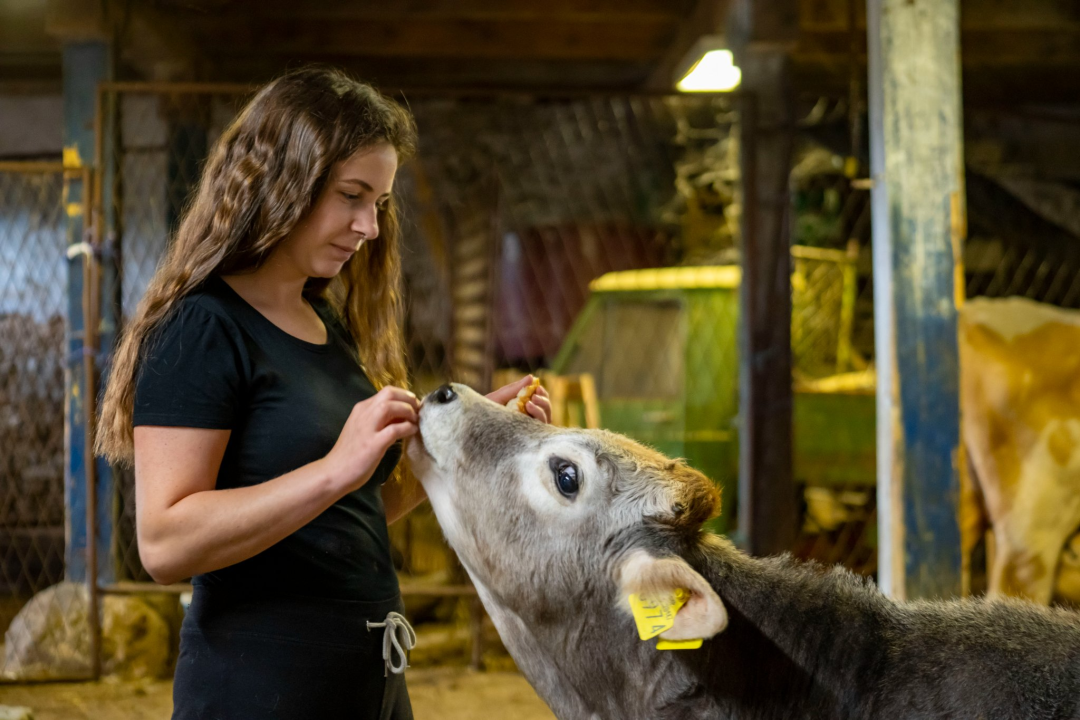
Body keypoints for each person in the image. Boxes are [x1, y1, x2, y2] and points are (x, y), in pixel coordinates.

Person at [95, 66, 550, 720]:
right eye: (351, 195)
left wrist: (466, 442)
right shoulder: (202, 328)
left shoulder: (322, 321)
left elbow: (356, 506)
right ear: (282, 182)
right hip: (259, 690)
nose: (369, 225)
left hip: (366, 682)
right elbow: (165, 544)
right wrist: (335, 468)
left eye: (380, 203)